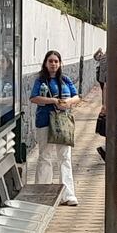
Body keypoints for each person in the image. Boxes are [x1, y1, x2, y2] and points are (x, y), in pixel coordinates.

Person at [29, 50, 81, 206]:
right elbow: (34, 98)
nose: (53, 64)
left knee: (64, 157)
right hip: (45, 122)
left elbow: (77, 96)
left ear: (60, 63)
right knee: (45, 156)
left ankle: (68, 194)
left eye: (56, 61)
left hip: (63, 123)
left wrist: (69, 102)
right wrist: (52, 100)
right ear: (45, 63)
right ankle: (43, 193)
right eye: (50, 61)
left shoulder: (65, 80)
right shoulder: (40, 81)